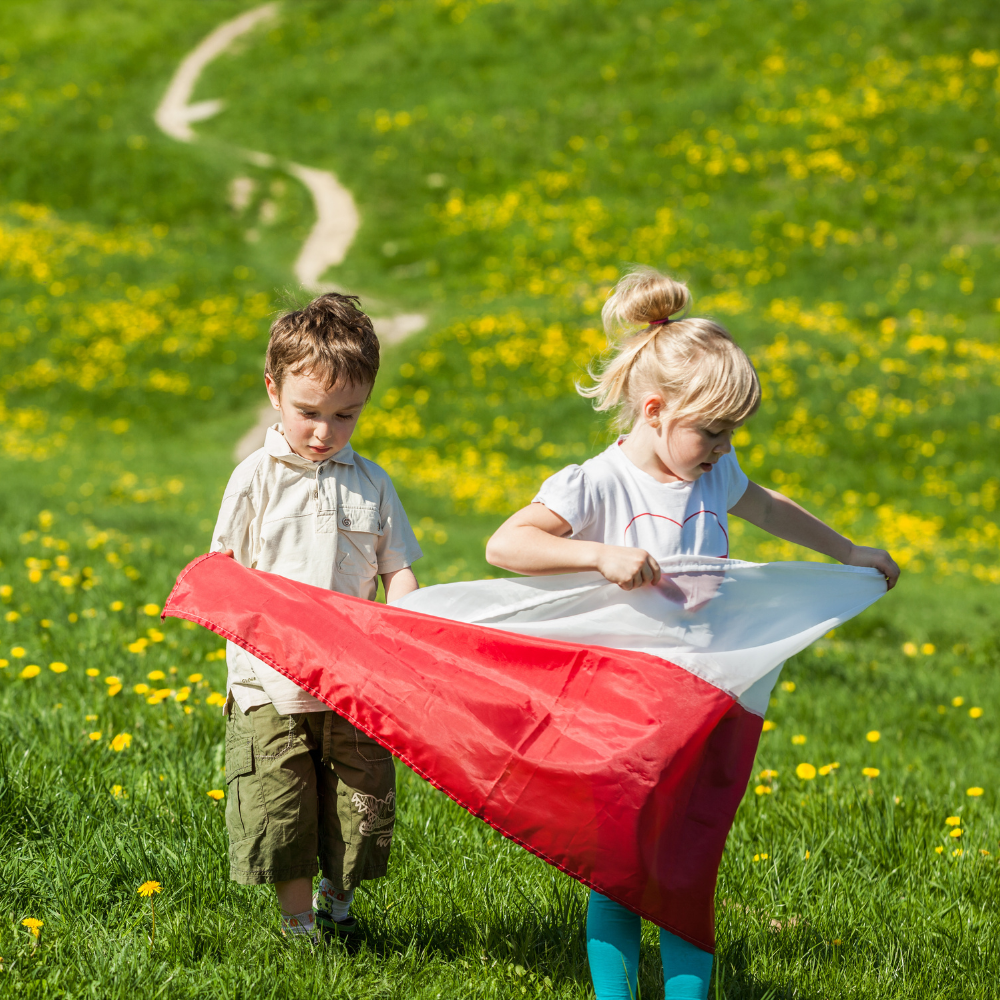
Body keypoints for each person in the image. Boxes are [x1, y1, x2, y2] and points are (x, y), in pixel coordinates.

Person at [485, 266, 899, 999]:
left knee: (689, 851)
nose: (722, 447)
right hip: (620, 703)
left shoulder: (713, 471)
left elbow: (769, 508)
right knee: (622, 857)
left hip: (705, 694)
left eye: (732, 434)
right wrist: (599, 555)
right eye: (712, 431)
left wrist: (849, 553)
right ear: (654, 411)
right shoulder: (597, 484)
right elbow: (506, 546)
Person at [211, 293, 422, 941]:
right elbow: (222, 569)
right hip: (268, 683)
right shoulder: (254, 479)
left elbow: (399, 569)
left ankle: (341, 909)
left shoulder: (373, 483)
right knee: (283, 806)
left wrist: (407, 623)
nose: (325, 432)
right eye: (309, 413)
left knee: (359, 807)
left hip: (355, 683)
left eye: (345, 415)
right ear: (274, 391)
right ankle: (299, 927)